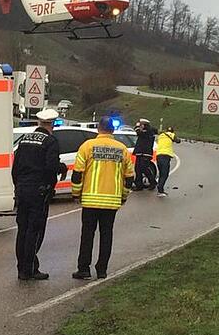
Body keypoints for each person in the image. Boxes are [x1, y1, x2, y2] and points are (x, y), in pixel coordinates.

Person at [71, 116, 135, 280]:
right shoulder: (122, 149)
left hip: (91, 200)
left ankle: (84, 269)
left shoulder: (87, 146)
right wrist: (124, 196)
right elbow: (129, 177)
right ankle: (102, 270)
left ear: (98, 128)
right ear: (112, 130)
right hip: (112, 201)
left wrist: (76, 194)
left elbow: (77, 174)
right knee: (106, 235)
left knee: (87, 235)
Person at [11, 108, 67, 280]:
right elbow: (51, 167)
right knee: (35, 231)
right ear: (51, 125)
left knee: (23, 229)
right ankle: (31, 269)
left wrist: (18, 186)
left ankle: (21, 268)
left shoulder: (25, 140)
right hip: (38, 191)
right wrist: (51, 184)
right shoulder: (50, 142)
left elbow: (15, 168)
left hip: (22, 189)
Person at [132, 118, 158, 191]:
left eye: (141, 125)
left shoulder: (149, 131)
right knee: (138, 169)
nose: (140, 126)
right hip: (140, 153)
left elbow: (138, 132)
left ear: (144, 125)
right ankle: (139, 185)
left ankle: (153, 182)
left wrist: (137, 127)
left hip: (145, 153)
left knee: (144, 168)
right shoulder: (145, 131)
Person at [155, 126, 181, 196]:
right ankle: (160, 190)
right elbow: (178, 141)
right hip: (165, 156)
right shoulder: (172, 135)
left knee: (161, 173)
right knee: (165, 174)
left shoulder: (160, 135)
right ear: (172, 132)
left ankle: (159, 187)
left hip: (158, 156)